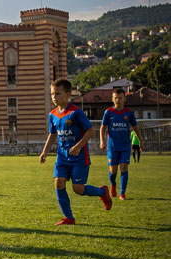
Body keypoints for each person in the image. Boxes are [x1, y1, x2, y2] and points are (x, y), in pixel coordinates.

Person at [39, 78, 112, 226]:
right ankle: (69, 218)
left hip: (79, 157)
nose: (54, 97)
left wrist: (78, 146)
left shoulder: (76, 112)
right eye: (52, 94)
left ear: (68, 94)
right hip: (62, 156)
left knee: (78, 189)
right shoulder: (52, 114)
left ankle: (102, 192)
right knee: (58, 184)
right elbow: (52, 134)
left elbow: (90, 130)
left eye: (57, 94)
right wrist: (44, 152)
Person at [99, 88, 144, 200]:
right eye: (115, 98)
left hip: (125, 146)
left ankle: (122, 193)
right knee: (113, 170)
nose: (118, 100)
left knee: (124, 167)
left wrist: (141, 141)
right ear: (112, 99)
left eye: (120, 98)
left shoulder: (129, 113)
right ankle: (113, 185)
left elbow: (136, 128)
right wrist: (102, 141)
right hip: (112, 146)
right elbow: (103, 128)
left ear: (124, 98)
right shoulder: (108, 112)